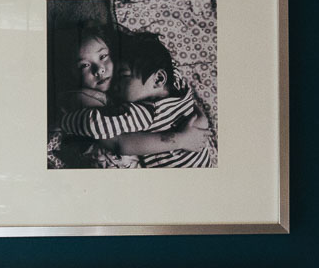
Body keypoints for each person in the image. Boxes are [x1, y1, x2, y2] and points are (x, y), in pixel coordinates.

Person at [56, 30, 215, 168]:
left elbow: (95, 124)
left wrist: (64, 122)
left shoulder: (145, 112)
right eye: (84, 65)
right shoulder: (178, 84)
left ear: (159, 79)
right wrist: (198, 121)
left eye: (123, 76)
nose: (100, 70)